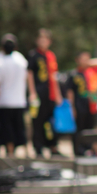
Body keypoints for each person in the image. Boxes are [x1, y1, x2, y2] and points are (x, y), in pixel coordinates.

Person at [0, 34, 32, 157]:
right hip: (19, 101)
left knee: (7, 130)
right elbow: (27, 76)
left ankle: (10, 152)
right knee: (20, 128)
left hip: (4, 101)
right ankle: (26, 152)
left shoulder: (0, 62)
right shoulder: (21, 60)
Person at [27, 29, 64, 157]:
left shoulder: (51, 56)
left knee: (51, 122)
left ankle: (53, 146)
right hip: (39, 93)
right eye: (41, 39)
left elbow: (54, 76)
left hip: (51, 94)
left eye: (45, 39)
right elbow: (30, 73)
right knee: (38, 121)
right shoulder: (33, 55)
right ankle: (38, 147)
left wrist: (58, 94)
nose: (43, 42)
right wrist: (32, 92)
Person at [66, 51, 97, 156]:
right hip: (79, 105)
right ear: (77, 60)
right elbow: (70, 91)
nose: (86, 61)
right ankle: (78, 150)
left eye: (87, 59)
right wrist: (72, 107)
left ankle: (88, 149)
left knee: (89, 128)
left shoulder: (91, 73)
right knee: (79, 128)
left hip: (90, 105)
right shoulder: (73, 74)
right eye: (83, 59)